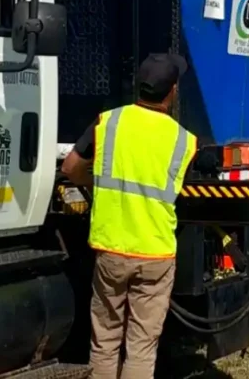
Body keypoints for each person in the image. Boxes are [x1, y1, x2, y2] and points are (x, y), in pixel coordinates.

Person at [61, 52, 197, 379]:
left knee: (105, 340)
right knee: (141, 346)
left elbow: (70, 167)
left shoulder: (108, 122)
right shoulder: (184, 140)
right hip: (155, 253)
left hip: (111, 249)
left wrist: (94, 181)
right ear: (172, 91)